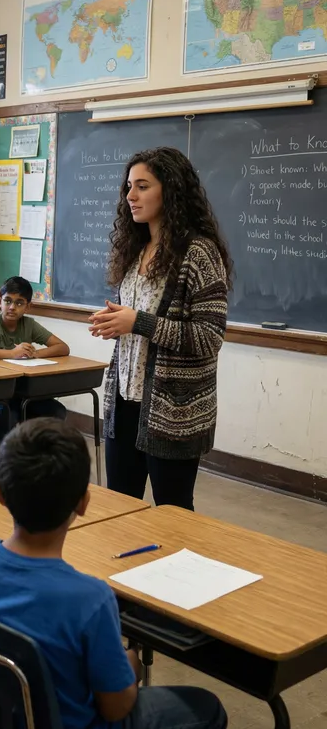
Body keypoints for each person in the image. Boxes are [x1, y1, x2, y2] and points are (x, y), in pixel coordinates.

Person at [0, 418, 228, 729]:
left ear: (0, 493)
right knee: (206, 708)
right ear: (84, 503)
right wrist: (131, 664)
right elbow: (116, 707)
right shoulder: (90, 598)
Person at [89, 147, 231, 511]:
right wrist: (115, 322)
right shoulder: (134, 250)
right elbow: (136, 326)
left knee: (174, 512)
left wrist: (138, 321)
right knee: (120, 509)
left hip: (174, 411)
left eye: (142, 186)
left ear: (170, 190)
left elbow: (209, 337)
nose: (130, 196)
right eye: (128, 187)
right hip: (124, 401)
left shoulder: (199, 254)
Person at [0, 275, 70, 449]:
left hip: (20, 392)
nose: (12, 307)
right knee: (6, 413)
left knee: (56, 411)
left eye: (19, 303)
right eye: (8, 301)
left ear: (28, 307)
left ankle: (38, 460)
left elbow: (62, 347)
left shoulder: (29, 325)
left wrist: (36, 354)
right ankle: (2, 461)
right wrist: (12, 353)